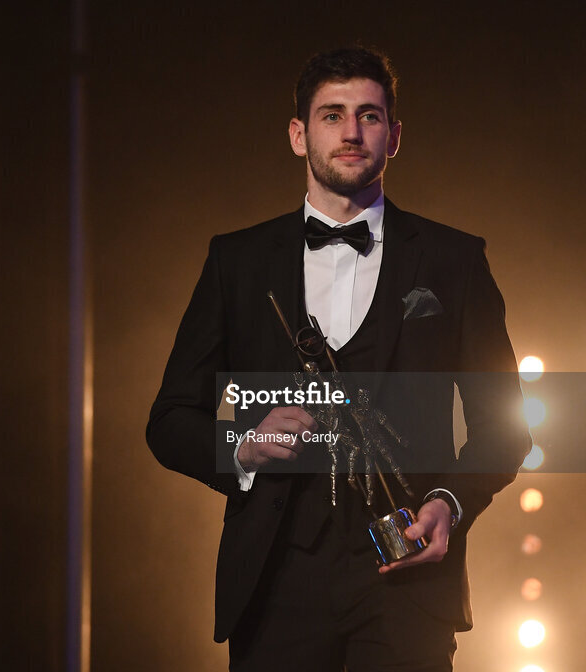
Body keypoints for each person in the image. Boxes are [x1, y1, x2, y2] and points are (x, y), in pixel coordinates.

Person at [147, 46, 531, 671]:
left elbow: (505, 427)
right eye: (332, 115)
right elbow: (169, 422)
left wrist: (448, 502)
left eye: (369, 116)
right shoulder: (237, 261)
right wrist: (242, 443)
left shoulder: (454, 260)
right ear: (299, 135)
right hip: (276, 582)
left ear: (395, 135)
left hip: (407, 582)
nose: (351, 132)